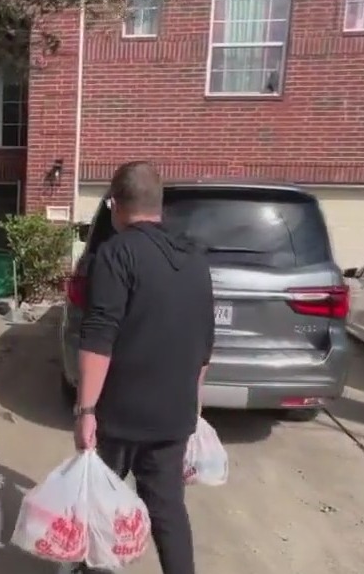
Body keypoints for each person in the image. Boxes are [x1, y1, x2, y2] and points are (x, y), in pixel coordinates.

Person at [69, 161, 215, 574]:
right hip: (173, 415)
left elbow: (99, 337)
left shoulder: (114, 254)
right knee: (168, 511)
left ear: (115, 205)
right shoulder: (195, 260)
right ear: (160, 207)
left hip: (119, 415)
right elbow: (205, 346)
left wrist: (86, 410)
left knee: (101, 502)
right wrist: (193, 405)